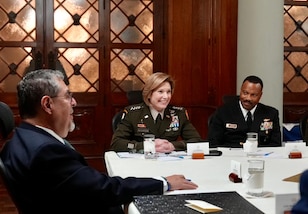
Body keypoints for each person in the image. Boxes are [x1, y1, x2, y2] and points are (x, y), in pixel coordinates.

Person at [0, 69, 198, 214]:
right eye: (68, 96)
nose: (74, 102)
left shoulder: (21, 139)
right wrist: (164, 182)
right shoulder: (45, 150)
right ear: (47, 104)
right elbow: (105, 189)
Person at [110, 72, 202, 153]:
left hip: (171, 163)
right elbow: (117, 143)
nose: (166, 96)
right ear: (149, 94)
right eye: (160, 92)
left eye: (168, 92)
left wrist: (173, 146)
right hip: (141, 164)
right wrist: (147, 146)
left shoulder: (178, 113)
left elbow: (197, 141)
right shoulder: (133, 113)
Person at [208, 75, 281, 148]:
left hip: (260, 157)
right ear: (240, 91)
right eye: (245, 93)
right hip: (230, 156)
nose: (248, 98)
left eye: (253, 95)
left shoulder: (271, 113)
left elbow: (275, 145)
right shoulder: (223, 112)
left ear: (260, 95)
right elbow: (214, 144)